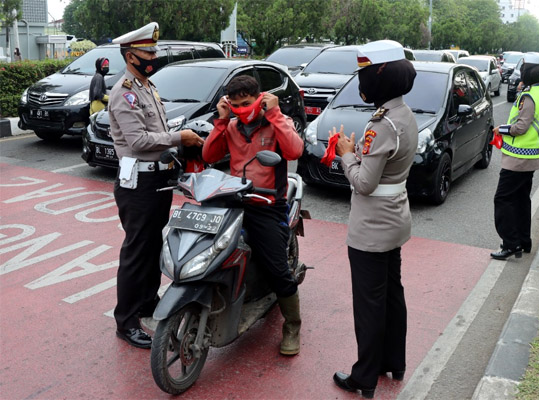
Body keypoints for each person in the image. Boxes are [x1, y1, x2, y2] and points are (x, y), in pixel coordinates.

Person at [329, 40, 418, 399]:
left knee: (369, 303)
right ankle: (393, 361)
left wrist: (346, 155)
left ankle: (364, 376)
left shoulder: (381, 125)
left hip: (371, 227)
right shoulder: (405, 114)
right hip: (396, 218)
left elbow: (365, 183)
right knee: (392, 295)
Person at [108, 22, 202, 349]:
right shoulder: (126, 92)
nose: (153, 57)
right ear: (130, 55)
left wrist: (179, 138)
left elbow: (156, 131)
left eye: (154, 52)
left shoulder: (148, 86)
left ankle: (148, 302)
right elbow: (137, 140)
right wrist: (179, 137)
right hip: (138, 183)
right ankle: (126, 320)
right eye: (147, 52)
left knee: (151, 245)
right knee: (136, 250)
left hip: (156, 177)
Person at [202, 75, 304, 356]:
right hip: (235, 201)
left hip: (268, 205)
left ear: (260, 98)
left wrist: (275, 113)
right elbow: (209, 156)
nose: (241, 109)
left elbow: (295, 150)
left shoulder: (276, 122)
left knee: (278, 269)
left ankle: (292, 325)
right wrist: (221, 121)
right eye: (234, 104)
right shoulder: (232, 126)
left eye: (246, 103)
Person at [491, 53, 539, 260]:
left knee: (503, 199)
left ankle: (510, 244)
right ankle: (523, 242)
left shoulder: (529, 96)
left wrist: (501, 129)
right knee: (521, 199)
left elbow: (521, 126)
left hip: (517, 158)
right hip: (531, 156)